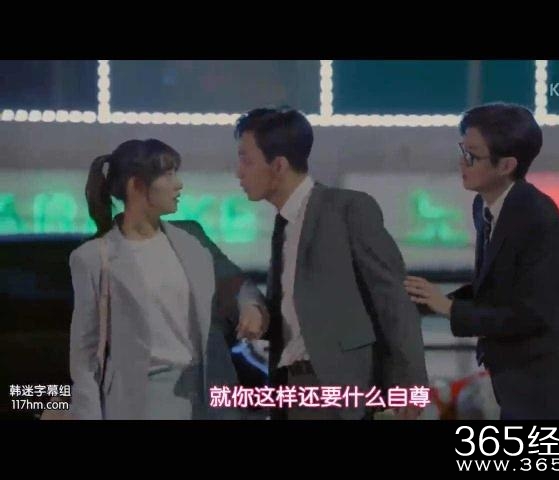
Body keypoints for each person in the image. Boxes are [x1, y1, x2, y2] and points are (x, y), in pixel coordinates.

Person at [404, 103, 559, 419]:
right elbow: (495, 287)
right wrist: (430, 301)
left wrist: (448, 308)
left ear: (506, 165)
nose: (461, 162)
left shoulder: (536, 215)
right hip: (517, 382)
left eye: (472, 155)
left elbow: (531, 314)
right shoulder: (485, 206)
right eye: (462, 150)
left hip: (549, 388)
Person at [235, 107, 428, 420]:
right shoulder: (283, 226)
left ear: (279, 165)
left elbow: (393, 298)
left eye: (246, 160)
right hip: (289, 388)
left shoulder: (347, 209)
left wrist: (408, 382)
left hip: (337, 390)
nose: (239, 173)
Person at [69, 138, 268, 419]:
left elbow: (236, 283)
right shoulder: (93, 257)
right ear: (136, 186)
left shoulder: (192, 237)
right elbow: (85, 357)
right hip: (144, 401)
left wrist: (250, 306)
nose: (179, 184)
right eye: (168, 174)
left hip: (210, 392)